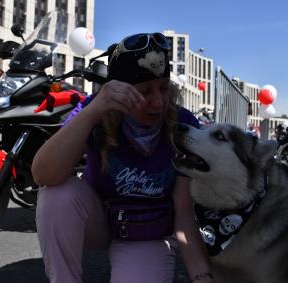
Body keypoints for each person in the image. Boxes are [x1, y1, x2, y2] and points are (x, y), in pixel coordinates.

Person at [32, 32, 213, 283]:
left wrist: (203, 277)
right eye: (144, 91)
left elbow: (183, 213)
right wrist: (95, 109)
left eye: (163, 88)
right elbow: (43, 173)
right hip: (100, 221)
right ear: (119, 91)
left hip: (147, 232)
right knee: (57, 193)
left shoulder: (183, 124)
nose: (158, 103)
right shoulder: (95, 108)